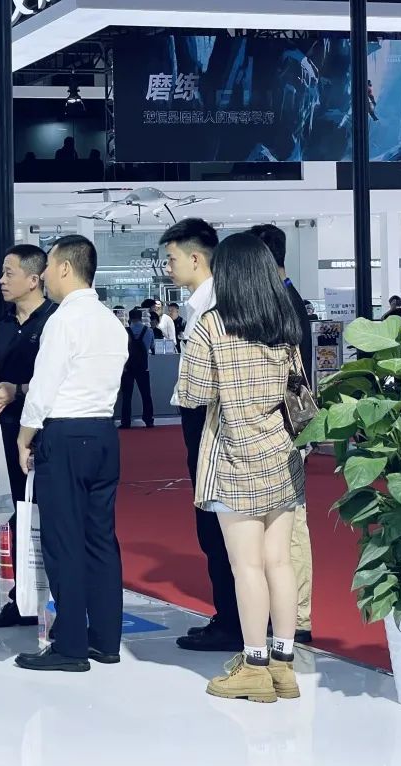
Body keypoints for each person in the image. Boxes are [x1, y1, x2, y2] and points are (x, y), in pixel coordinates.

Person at [177, 232, 305, 702]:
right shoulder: (283, 322)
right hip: (281, 453)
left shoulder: (212, 326)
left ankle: (254, 665)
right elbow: (298, 387)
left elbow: (191, 394)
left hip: (234, 454)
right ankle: (283, 664)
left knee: (246, 566)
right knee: (279, 562)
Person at [11, 235, 128, 672]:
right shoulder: (110, 321)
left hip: (65, 434)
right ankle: (105, 640)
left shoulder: (63, 321)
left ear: (64, 268)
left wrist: (24, 437)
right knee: (101, 539)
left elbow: (44, 388)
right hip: (103, 433)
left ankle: (70, 646)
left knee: (63, 542)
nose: (43, 275)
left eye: (48, 266)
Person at [161, 218, 243, 652]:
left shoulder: (214, 308)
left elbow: (207, 383)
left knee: (217, 526)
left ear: (196, 258)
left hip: (212, 424)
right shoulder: (200, 306)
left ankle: (233, 623)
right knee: (215, 526)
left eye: (171, 258)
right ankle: (230, 617)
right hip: (205, 422)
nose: (167, 267)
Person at [0, 245, 57, 629]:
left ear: (34, 278)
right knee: (15, 515)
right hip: (7, 431)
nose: (1, 280)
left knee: (50, 514)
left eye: (9, 273)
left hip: (48, 430)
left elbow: (57, 381)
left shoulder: (55, 320)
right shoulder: (1, 325)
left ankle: (56, 600)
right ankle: (22, 599)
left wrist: (16, 390)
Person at [250, 224, 315, 644]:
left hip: (285, 427)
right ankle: (292, 612)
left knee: (291, 527)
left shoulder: (282, 305)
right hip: (285, 426)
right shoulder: (284, 299)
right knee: (283, 527)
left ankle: (299, 617)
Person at [119, 308, 154, 430]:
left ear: (129, 318)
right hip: (143, 367)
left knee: (127, 396)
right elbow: (152, 346)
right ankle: (149, 420)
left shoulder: (124, 331)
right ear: (141, 318)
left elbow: (121, 349)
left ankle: (126, 422)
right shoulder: (148, 331)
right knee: (146, 394)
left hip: (128, 367)